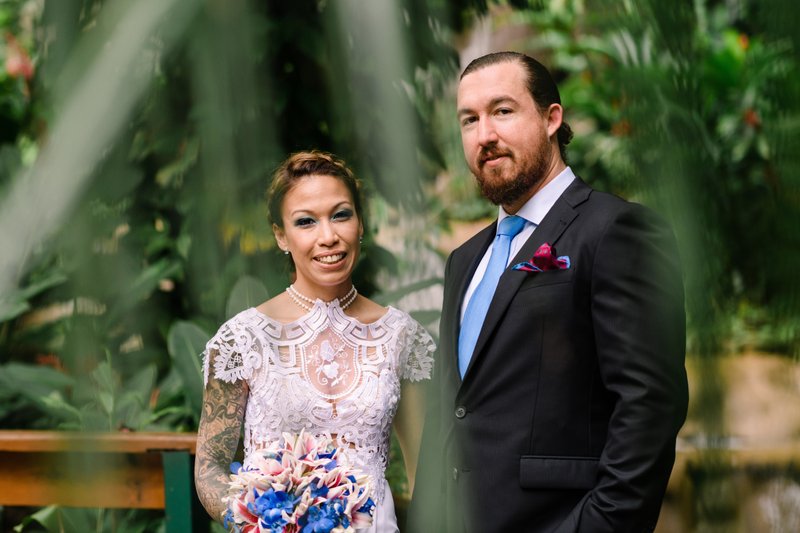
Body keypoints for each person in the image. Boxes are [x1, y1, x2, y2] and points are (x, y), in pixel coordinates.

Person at [409, 51, 688, 532]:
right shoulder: (464, 260)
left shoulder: (615, 231)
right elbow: (452, 413)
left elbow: (649, 405)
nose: (485, 135)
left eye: (502, 110)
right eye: (469, 120)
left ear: (551, 117)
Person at [195, 150, 435, 532]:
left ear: (360, 223)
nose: (329, 237)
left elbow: (427, 471)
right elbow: (209, 467)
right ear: (280, 235)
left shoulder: (402, 338)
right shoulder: (242, 340)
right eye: (306, 222)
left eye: (341, 215)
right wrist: (257, 519)